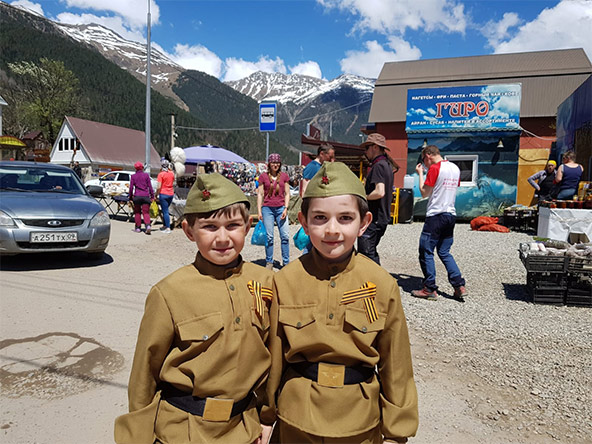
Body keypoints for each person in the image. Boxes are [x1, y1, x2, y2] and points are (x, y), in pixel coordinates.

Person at [260, 162, 418, 444]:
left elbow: (397, 365)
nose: (332, 230)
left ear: (364, 223)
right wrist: (265, 416)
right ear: (304, 222)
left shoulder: (381, 284)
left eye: (345, 218)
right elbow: (274, 356)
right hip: (297, 420)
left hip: (359, 422)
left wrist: (397, 433)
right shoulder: (286, 280)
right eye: (320, 218)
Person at [114, 173, 274, 444]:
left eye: (233, 225)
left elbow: (274, 357)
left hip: (245, 428)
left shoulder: (266, 282)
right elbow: (145, 372)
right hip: (183, 431)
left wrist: (267, 417)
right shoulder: (169, 292)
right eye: (210, 227)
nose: (222, 238)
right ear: (189, 231)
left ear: (248, 226)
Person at [412, 145, 467, 300]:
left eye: (424, 160)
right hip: (450, 214)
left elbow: (424, 193)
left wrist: (420, 174)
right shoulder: (455, 168)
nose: (424, 164)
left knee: (426, 250)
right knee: (444, 251)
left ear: (428, 156)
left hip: (436, 215)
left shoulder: (435, 168)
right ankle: (459, 285)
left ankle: (429, 288)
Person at [358, 133, 395, 265]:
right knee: (370, 251)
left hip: (374, 218)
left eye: (367, 148)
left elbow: (380, 192)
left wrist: (363, 198)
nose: (365, 151)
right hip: (381, 217)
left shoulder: (378, 166)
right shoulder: (387, 165)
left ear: (375, 147)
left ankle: (374, 277)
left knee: (366, 254)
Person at [257, 153, 290, 270]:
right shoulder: (263, 177)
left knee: (285, 236)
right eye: (273, 163)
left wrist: (286, 208)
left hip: (281, 208)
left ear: (280, 164)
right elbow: (260, 194)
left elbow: (287, 193)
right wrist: (259, 211)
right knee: (269, 237)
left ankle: (286, 262)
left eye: (277, 163)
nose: (275, 165)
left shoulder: (285, 176)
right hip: (267, 209)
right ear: (269, 164)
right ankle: (269, 262)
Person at [129, 162, 154, 235]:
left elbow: (131, 188)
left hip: (137, 196)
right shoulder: (146, 175)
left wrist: (130, 197)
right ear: (142, 168)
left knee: (137, 212)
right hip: (145, 196)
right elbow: (150, 187)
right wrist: (152, 196)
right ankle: (148, 226)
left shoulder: (133, 176)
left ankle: (138, 228)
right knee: (146, 212)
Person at [156, 159, 175, 233]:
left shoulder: (161, 174)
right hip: (171, 193)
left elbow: (159, 187)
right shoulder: (172, 173)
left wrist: (156, 194)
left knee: (165, 211)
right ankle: (165, 225)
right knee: (166, 210)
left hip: (163, 193)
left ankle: (168, 227)